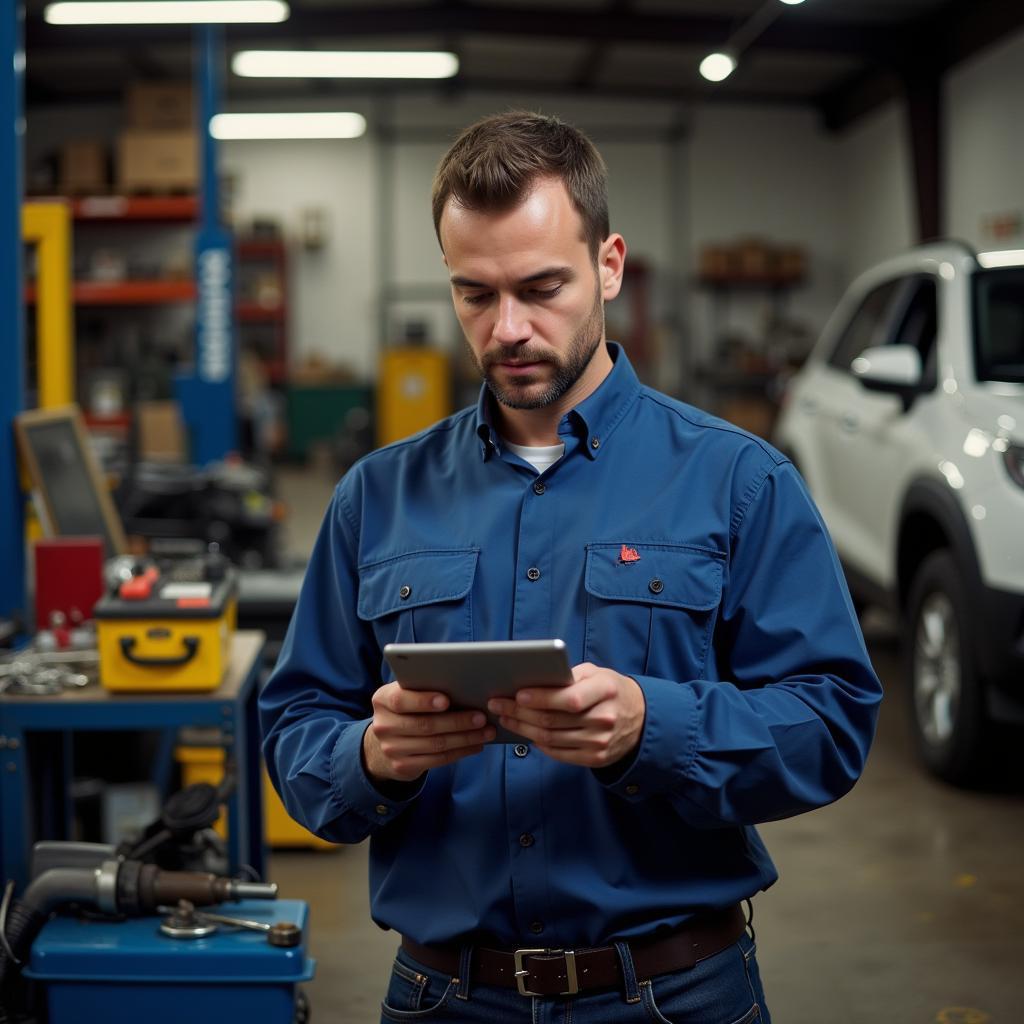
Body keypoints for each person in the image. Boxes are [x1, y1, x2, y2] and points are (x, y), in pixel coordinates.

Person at [259, 111, 882, 1023]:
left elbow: (830, 723)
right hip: (444, 996)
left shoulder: (738, 480)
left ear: (610, 265)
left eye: (541, 286)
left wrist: (651, 726)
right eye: (475, 294)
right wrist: (370, 756)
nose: (507, 327)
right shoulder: (375, 498)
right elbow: (296, 727)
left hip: (676, 994)